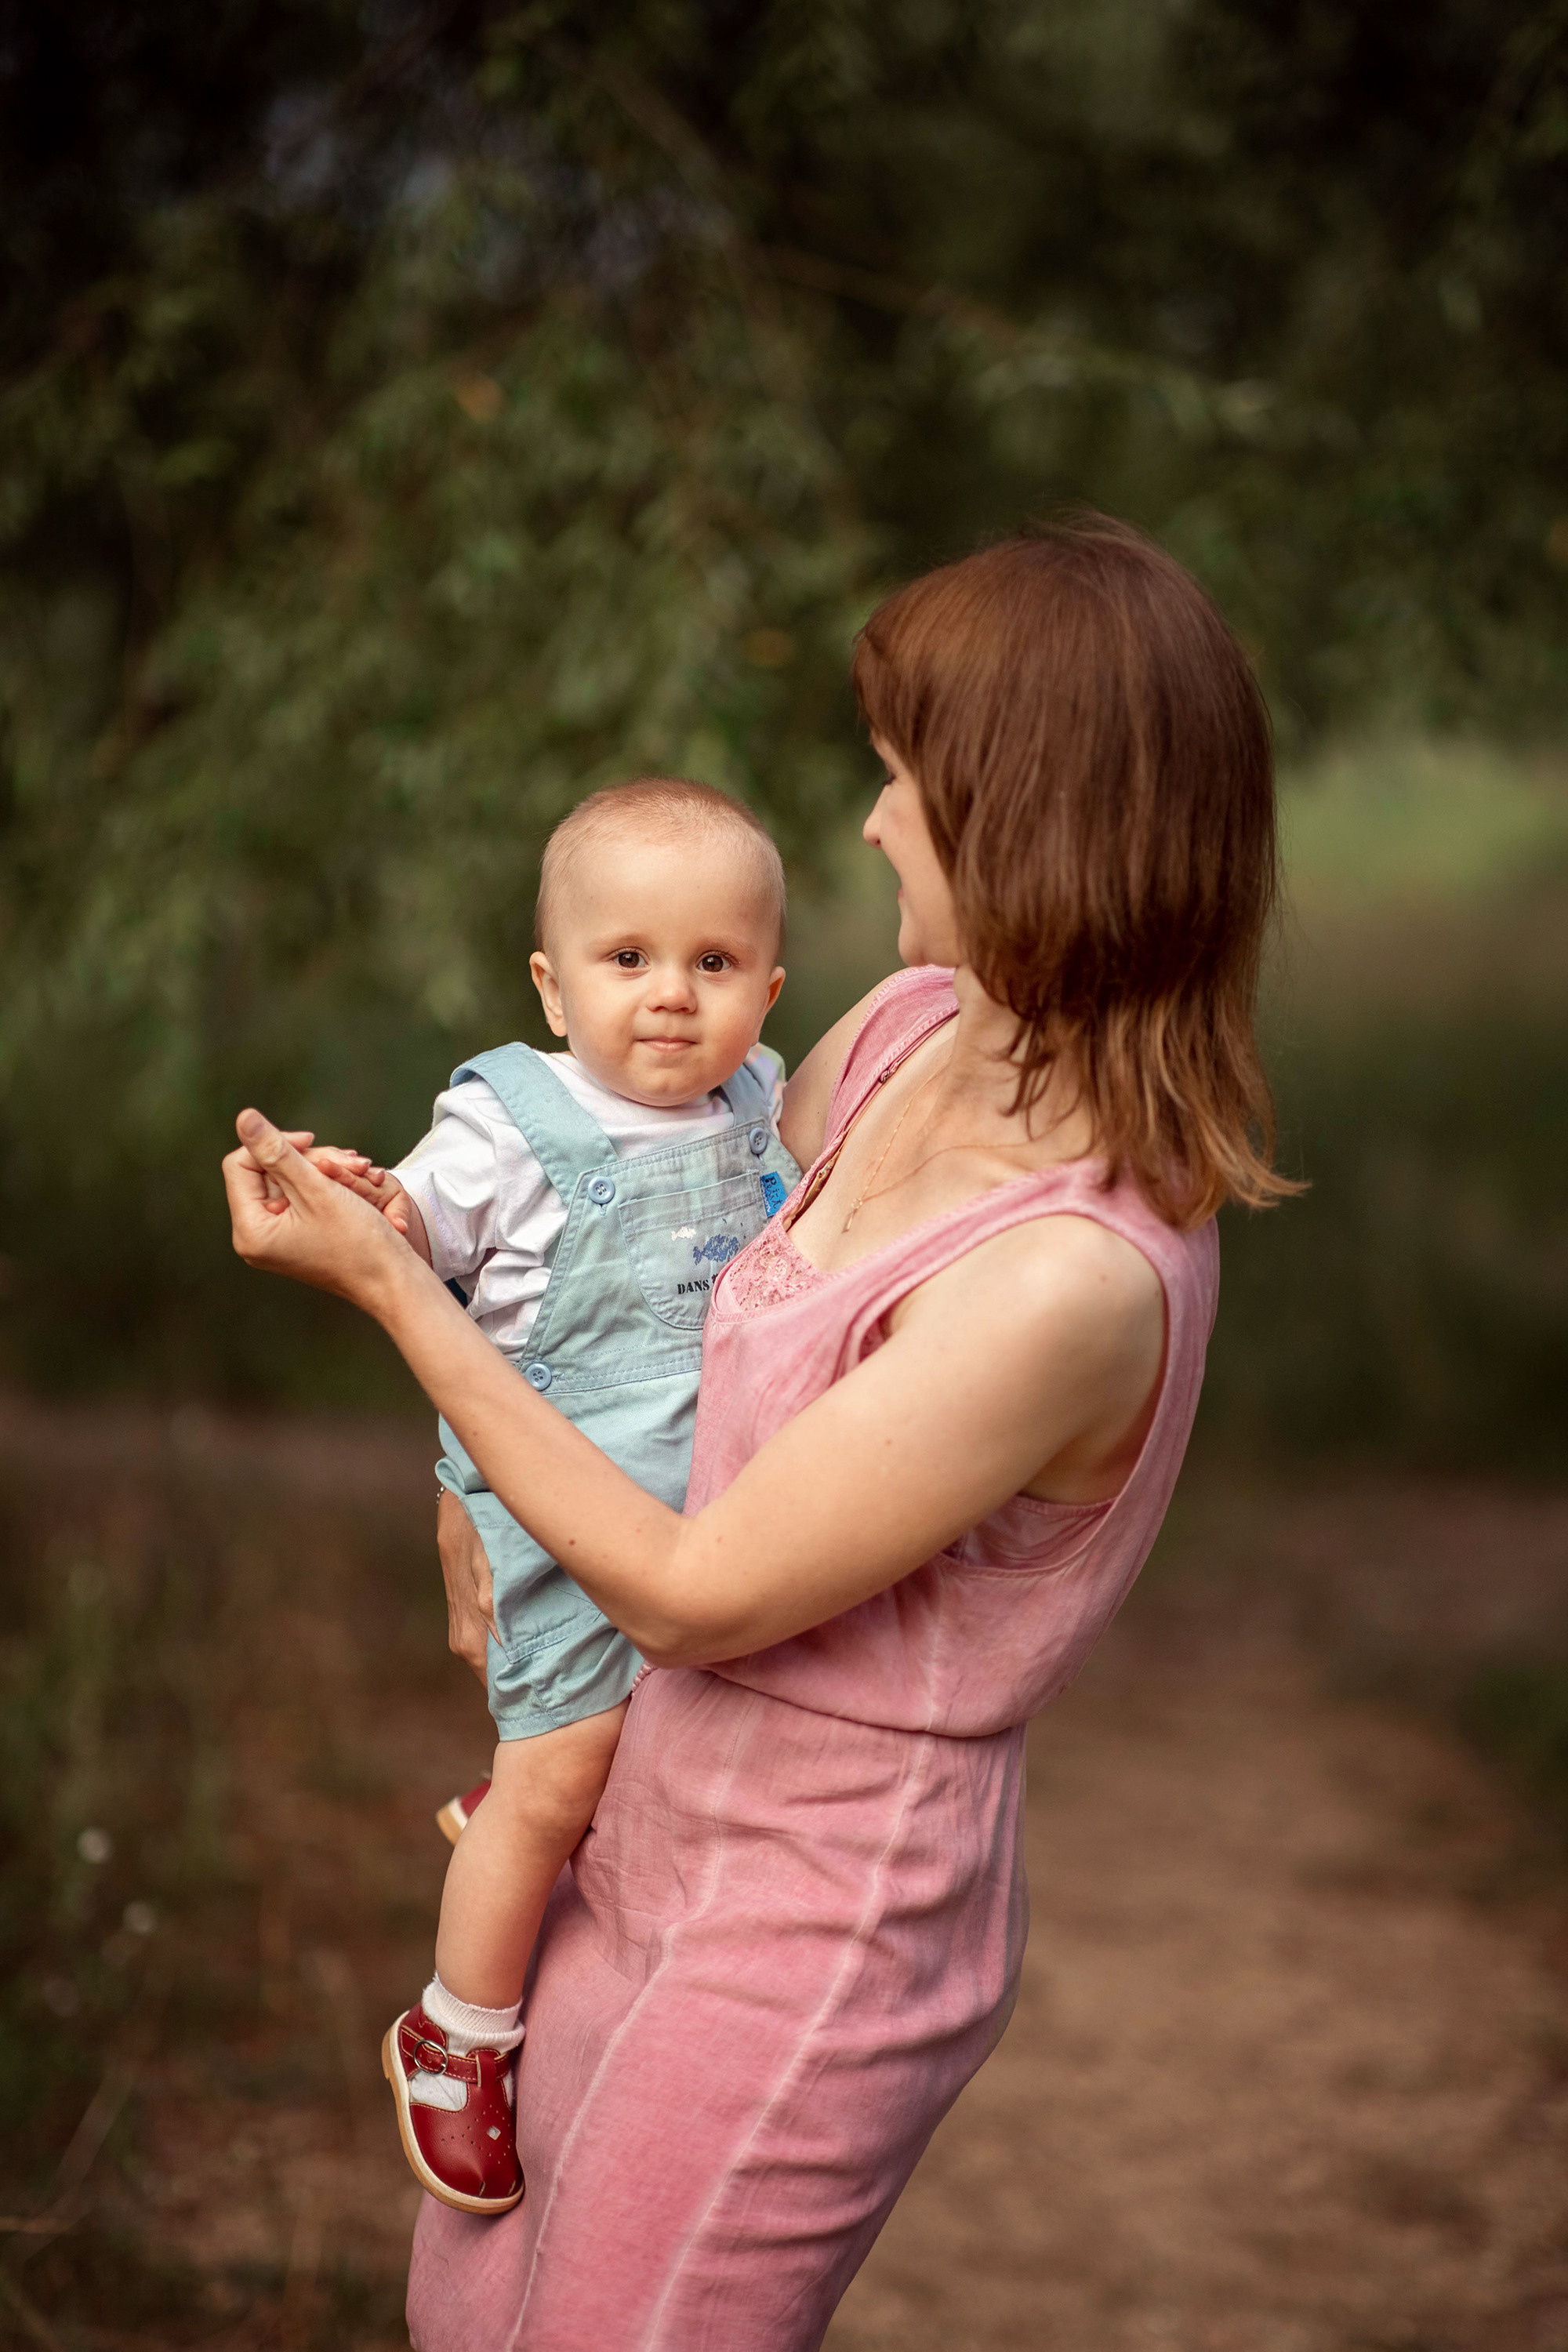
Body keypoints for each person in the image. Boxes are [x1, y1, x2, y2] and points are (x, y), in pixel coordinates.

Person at [223, 514, 1294, 2351]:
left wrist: (399, 1308)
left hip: (806, 1916)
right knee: (469, 2314)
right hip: (630, 1805)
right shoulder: (897, 1037)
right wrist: (464, 1435)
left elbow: (696, 1589)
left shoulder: (1068, 1273)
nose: (871, 824)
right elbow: (637, 1264)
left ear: (1022, 821)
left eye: (902, 780)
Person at [274, 777, 799, 2215]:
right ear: (552, 987)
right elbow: (413, 1232)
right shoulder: (508, 1124)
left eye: (714, 962)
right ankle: (458, 2030)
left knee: (687, 1718)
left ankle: (518, 1786)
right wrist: (370, 1203)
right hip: (556, 1509)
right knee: (561, 1779)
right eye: (627, 958)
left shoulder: (757, 1102)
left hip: (697, 1514)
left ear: (768, 989)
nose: (672, 995)